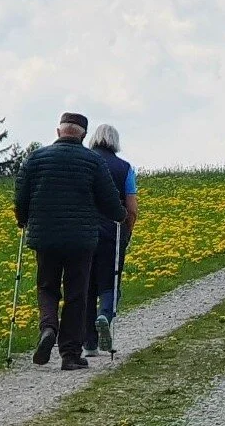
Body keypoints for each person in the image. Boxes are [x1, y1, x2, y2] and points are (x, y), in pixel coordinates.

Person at [14, 113, 126, 371]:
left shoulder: (36, 158)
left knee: (47, 287)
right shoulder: (93, 161)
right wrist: (120, 216)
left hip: (45, 237)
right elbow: (109, 202)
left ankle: (48, 327)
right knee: (77, 294)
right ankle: (70, 355)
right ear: (83, 135)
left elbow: (21, 195)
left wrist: (22, 219)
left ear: (58, 131)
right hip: (81, 239)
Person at [84, 125, 139, 357]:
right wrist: (127, 231)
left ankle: (89, 345)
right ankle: (105, 314)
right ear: (115, 142)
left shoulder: (83, 161)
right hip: (112, 232)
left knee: (86, 286)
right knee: (111, 282)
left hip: (83, 232)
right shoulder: (125, 168)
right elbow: (132, 207)